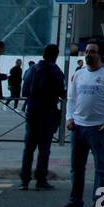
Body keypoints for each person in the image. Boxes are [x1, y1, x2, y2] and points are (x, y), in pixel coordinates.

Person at [57, 40, 104, 207]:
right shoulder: (78, 74)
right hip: (78, 127)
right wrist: (69, 118)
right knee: (76, 167)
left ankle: (101, 205)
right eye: (87, 51)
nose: (88, 54)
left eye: (93, 52)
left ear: (100, 55)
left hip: (99, 128)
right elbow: (71, 98)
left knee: (101, 169)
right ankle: (75, 201)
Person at [19, 44, 65, 191]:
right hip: (47, 112)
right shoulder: (55, 71)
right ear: (55, 55)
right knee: (44, 149)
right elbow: (61, 92)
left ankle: (24, 180)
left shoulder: (31, 70)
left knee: (29, 148)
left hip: (32, 111)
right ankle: (40, 179)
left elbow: (25, 90)